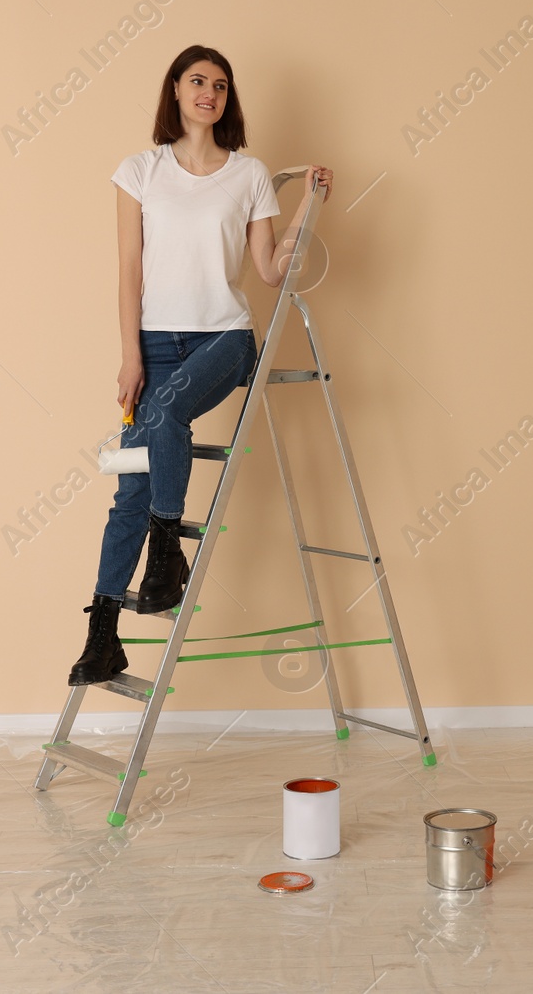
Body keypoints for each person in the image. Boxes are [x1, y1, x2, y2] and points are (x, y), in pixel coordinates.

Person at [68, 44, 332, 686]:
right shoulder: (140, 171)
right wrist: (130, 355)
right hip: (155, 344)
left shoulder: (249, 175)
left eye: (219, 84)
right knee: (128, 490)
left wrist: (309, 206)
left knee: (164, 415)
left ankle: (167, 557)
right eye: (196, 81)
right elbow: (128, 270)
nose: (208, 92)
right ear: (176, 91)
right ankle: (104, 635)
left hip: (224, 340)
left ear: (226, 98)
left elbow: (271, 272)